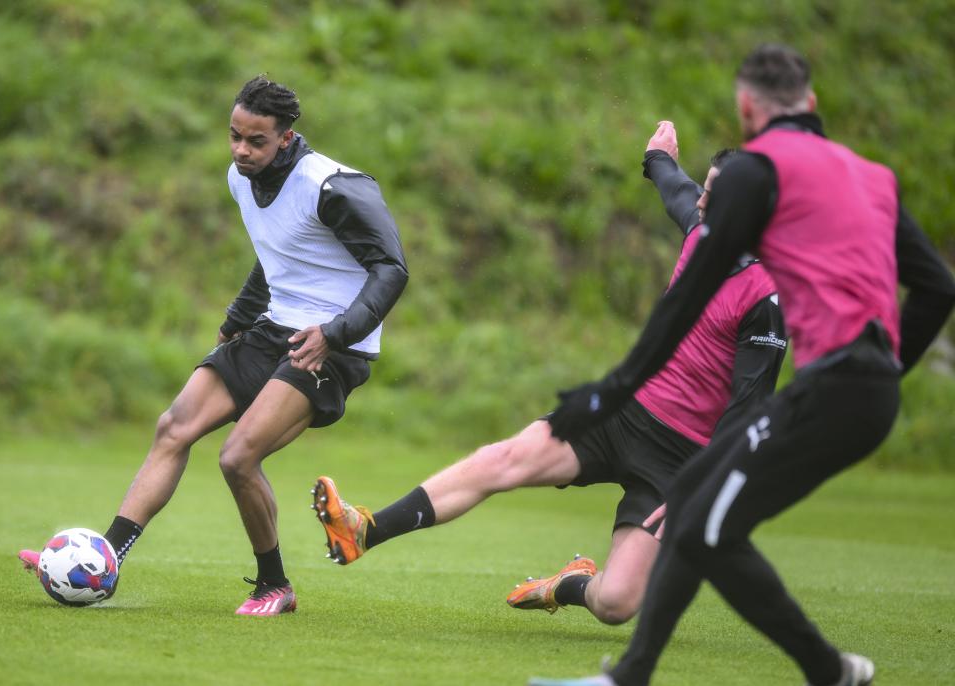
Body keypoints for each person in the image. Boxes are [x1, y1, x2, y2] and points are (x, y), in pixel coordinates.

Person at [536, 44, 955, 686]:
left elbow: (693, 293)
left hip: (832, 390)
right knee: (697, 514)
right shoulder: (872, 175)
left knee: (702, 522)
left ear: (746, 108)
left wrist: (609, 389)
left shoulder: (754, 172)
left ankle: (822, 670)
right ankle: (644, 676)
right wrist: (885, 370)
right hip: (863, 391)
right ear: (811, 105)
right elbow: (938, 288)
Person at [308, 121, 786, 627]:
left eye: (714, 197)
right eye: (705, 191)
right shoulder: (702, 228)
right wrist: (656, 157)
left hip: (680, 461)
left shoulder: (765, 297)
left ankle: (570, 583)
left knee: (616, 605)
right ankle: (364, 529)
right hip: (622, 415)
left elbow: (749, 409)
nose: (702, 204)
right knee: (504, 460)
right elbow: (675, 188)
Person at [18, 76, 409, 616]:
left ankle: (274, 586)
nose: (241, 150)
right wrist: (236, 321)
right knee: (173, 426)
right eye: (234, 136)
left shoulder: (334, 187)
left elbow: (391, 269)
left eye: (255, 141)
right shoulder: (240, 178)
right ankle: (102, 562)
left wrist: (335, 333)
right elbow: (277, 253)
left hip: (332, 346)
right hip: (274, 327)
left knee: (238, 457)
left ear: (286, 138)